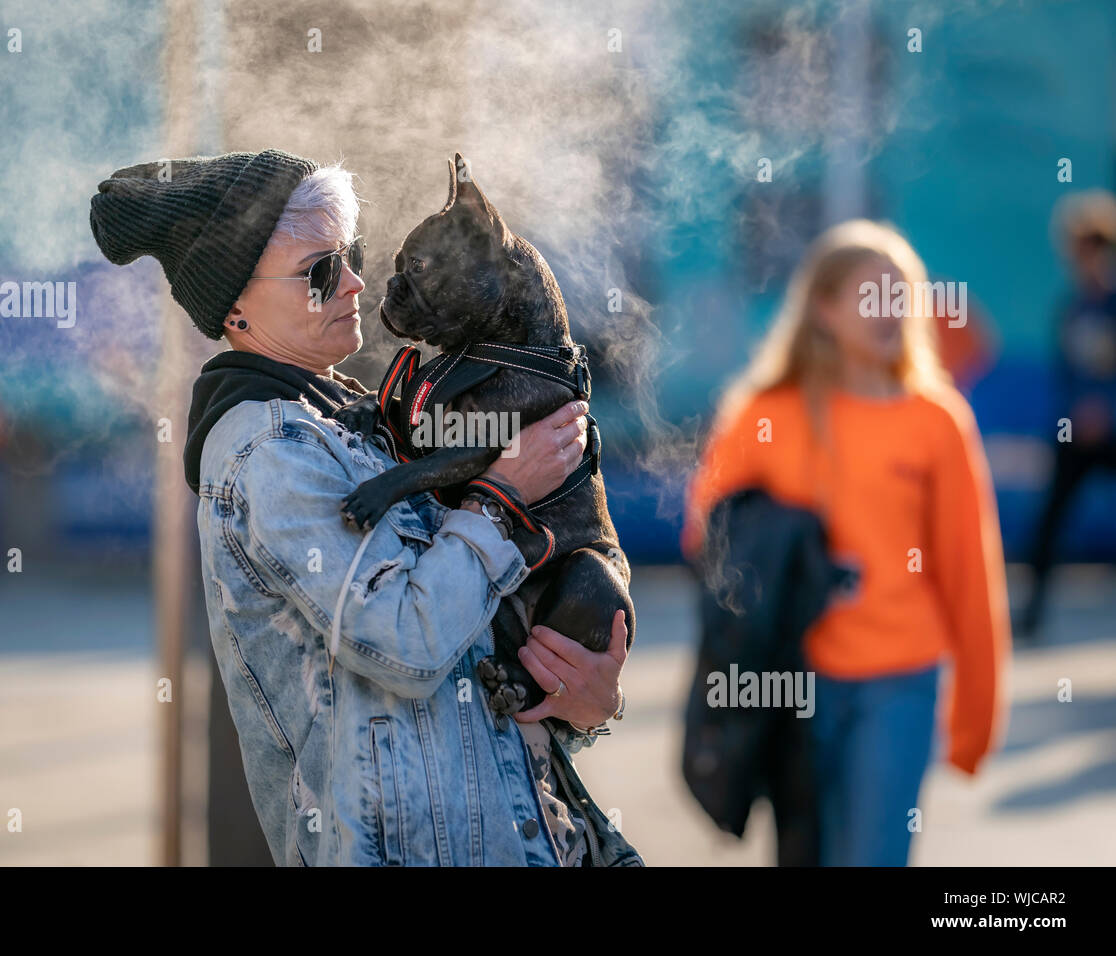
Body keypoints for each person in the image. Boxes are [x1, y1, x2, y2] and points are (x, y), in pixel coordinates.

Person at [88, 148, 640, 866]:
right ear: (237, 309)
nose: (353, 282)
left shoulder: (363, 418)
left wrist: (583, 698)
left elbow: (474, 666)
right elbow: (406, 645)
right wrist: (504, 495)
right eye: (319, 271)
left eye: (350, 254)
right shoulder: (272, 448)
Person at [683, 219, 1011, 866]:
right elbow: (705, 536)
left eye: (901, 294)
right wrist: (787, 559)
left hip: (899, 679)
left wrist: (977, 715)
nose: (889, 311)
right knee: (806, 856)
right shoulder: (765, 414)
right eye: (870, 296)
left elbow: (971, 572)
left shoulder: (937, 422)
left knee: (873, 856)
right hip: (793, 680)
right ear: (824, 309)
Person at [1020, 190, 1116, 636]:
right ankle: (1032, 614)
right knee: (1050, 517)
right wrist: (1072, 417)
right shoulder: (1072, 307)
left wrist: (1107, 410)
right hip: (1076, 433)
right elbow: (1065, 375)